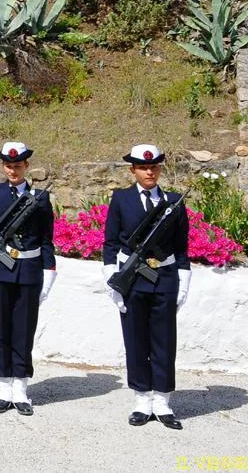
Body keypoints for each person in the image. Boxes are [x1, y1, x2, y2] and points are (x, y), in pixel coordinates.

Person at [104, 144, 191, 430]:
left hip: (164, 278)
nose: (149, 171)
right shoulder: (121, 199)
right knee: (136, 340)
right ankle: (142, 400)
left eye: (153, 167)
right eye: (143, 167)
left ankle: (163, 402)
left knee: (164, 342)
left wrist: (183, 283)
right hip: (133, 279)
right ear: (133, 170)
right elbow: (111, 243)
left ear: (160, 169)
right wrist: (113, 283)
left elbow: (181, 248)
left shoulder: (174, 201)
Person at [0, 142, 56, 415]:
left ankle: (20, 388)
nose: (13, 171)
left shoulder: (39, 198)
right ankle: (3, 387)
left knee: (23, 330)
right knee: (1, 330)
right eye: (8, 166)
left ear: (26, 166)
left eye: (18, 166)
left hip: (29, 270)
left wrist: (48, 273)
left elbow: (46, 240)